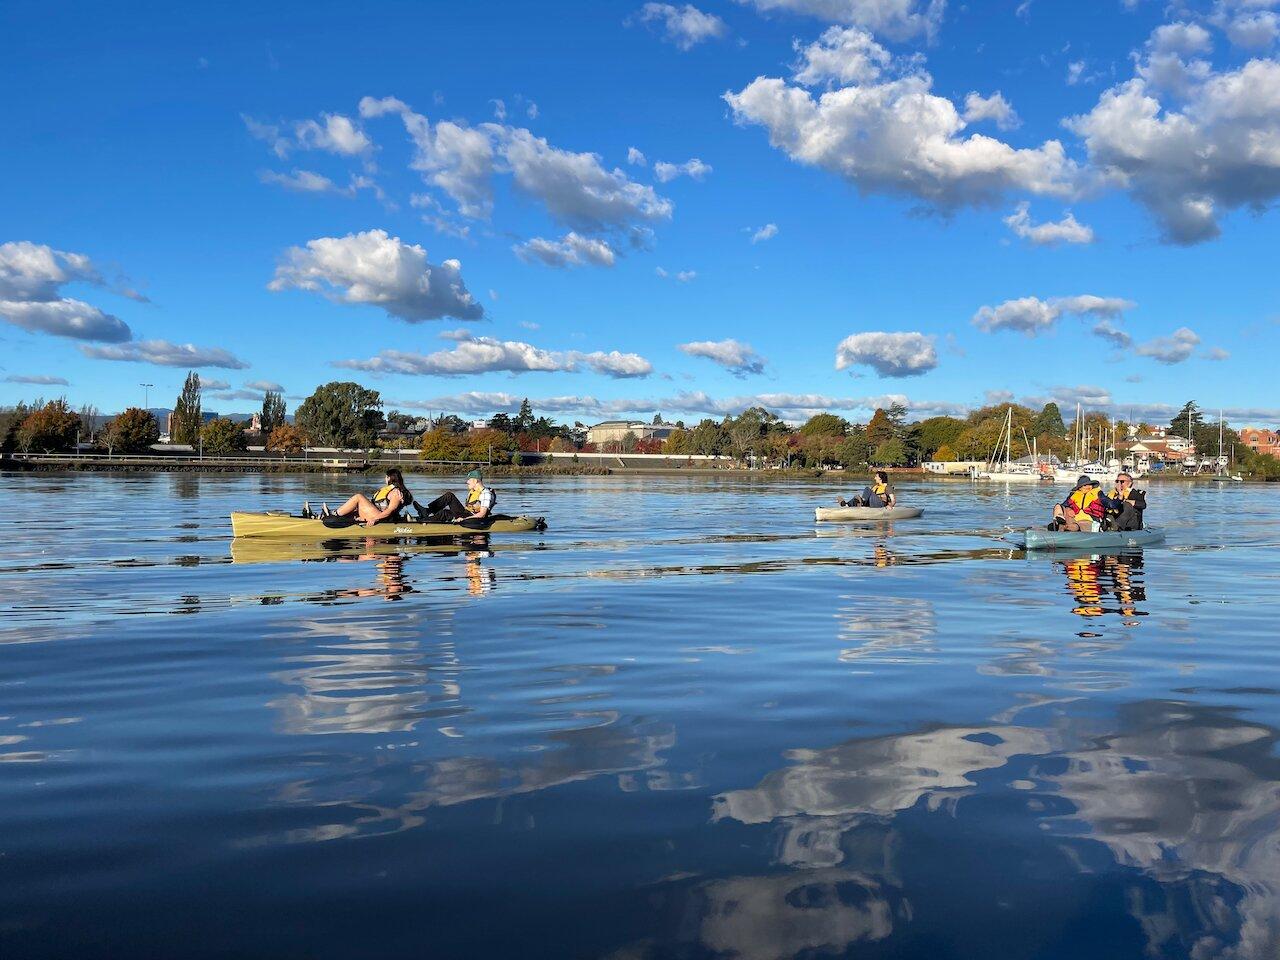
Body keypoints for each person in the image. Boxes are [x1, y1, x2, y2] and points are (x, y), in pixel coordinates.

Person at [318, 468, 413, 527]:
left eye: (385, 477)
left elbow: (390, 511)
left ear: (389, 478)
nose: (385, 479)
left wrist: (375, 519)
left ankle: (334, 514)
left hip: (381, 518)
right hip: (375, 514)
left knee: (358, 497)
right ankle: (332, 517)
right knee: (353, 510)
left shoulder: (396, 493)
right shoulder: (388, 490)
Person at [420, 469, 496, 524]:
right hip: (466, 512)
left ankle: (422, 522)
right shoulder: (474, 491)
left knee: (445, 513)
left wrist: (463, 519)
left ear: (476, 481)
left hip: (473, 518)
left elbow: (482, 514)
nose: (467, 482)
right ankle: (427, 511)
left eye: (469, 480)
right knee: (449, 496)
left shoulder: (485, 494)